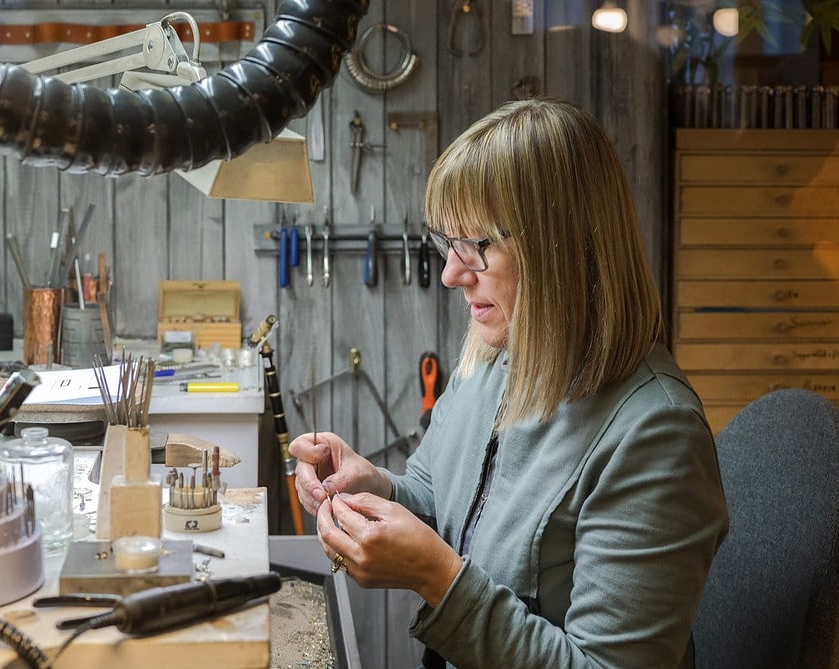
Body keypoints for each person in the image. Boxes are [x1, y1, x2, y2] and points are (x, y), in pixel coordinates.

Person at [288, 98, 728, 669]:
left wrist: (436, 577)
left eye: (478, 246)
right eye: (449, 243)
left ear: (559, 246)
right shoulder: (495, 363)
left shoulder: (655, 435)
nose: (451, 273)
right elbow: (441, 500)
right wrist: (374, 487)